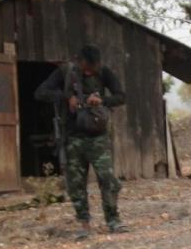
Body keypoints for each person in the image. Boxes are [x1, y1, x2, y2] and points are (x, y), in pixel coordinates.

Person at [35, 44, 126, 238]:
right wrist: (66, 98)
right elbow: (41, 92)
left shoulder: (104, 73)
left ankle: (113, 220)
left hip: (98, 137)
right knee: (76, 184)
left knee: (108, 179)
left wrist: (102, 100)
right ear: (79, 61)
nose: (89, 72)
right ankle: (84, 224)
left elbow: (121, 97)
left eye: (93, 69)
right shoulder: (65, 72)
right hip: (73, 137)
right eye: (86, 67)